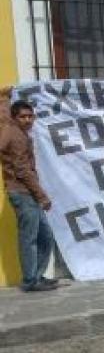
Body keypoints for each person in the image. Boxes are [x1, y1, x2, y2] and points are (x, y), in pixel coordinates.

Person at [0, 100, 58, 293]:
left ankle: (36, 276)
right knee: (30, 238)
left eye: (30, 116)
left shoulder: (14, 131)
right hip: (23, 192)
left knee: (45, 236)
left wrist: (4, 98)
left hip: (26, 193)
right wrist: (41, 196)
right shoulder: (16, 136)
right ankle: (30, 280)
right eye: (22, 117)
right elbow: (23, 170)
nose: (27, 120)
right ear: (15, 118)